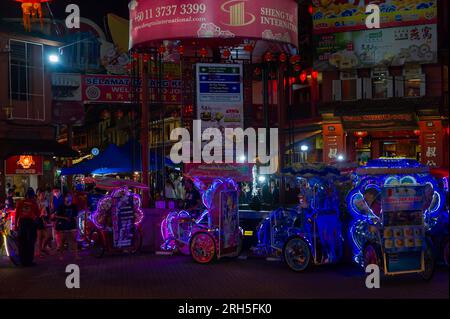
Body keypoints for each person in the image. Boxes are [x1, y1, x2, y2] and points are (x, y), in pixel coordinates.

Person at [15, 187, 40, 266]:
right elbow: (37, 214)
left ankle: (23, 261)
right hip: (30, 223)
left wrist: (16, 225)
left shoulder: (20, 202)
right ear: (32, 195)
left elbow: (17, 215)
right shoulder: (34, 203)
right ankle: (29, 261)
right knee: (30, 242)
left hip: (22, 223)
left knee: (22, 242)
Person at [53, 193, 80, 261]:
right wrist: (64, 218)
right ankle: (61, 255)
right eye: (67, 197)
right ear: (64, 198)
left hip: (72, 224)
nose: (68, 198)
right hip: (63, 225)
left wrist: (77, 227)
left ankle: (76, 255)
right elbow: (56, 215)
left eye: (70, 197)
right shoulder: (61, 206)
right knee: (62, 241)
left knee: (74, 240)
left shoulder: (74, 206)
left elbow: (75, 217)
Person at [35, 189, 49, 257]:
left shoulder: (46, 202)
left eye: (44, 195)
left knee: (47, 236)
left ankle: (43, 248)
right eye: (42, 195)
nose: (43, 196)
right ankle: (39, 252)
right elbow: (38, 213)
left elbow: (46, 212)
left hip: (44, 220)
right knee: (39, 237)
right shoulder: (37, 203)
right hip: (38, 220)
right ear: (38, 196)